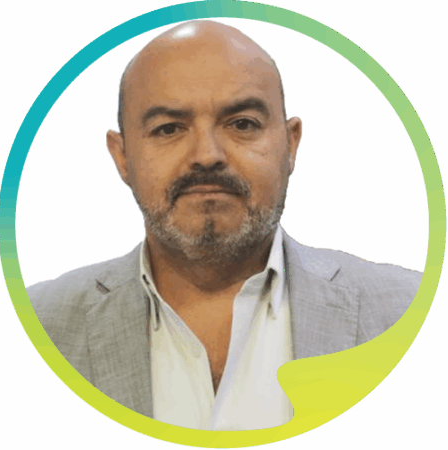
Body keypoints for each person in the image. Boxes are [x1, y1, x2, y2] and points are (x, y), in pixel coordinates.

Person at [28, 20, 422, 431]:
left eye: (242, 124)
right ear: (122, 155)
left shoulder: (412, 316)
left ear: (291, 144)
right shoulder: (32, 329)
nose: (207, 155)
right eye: (168, 128)